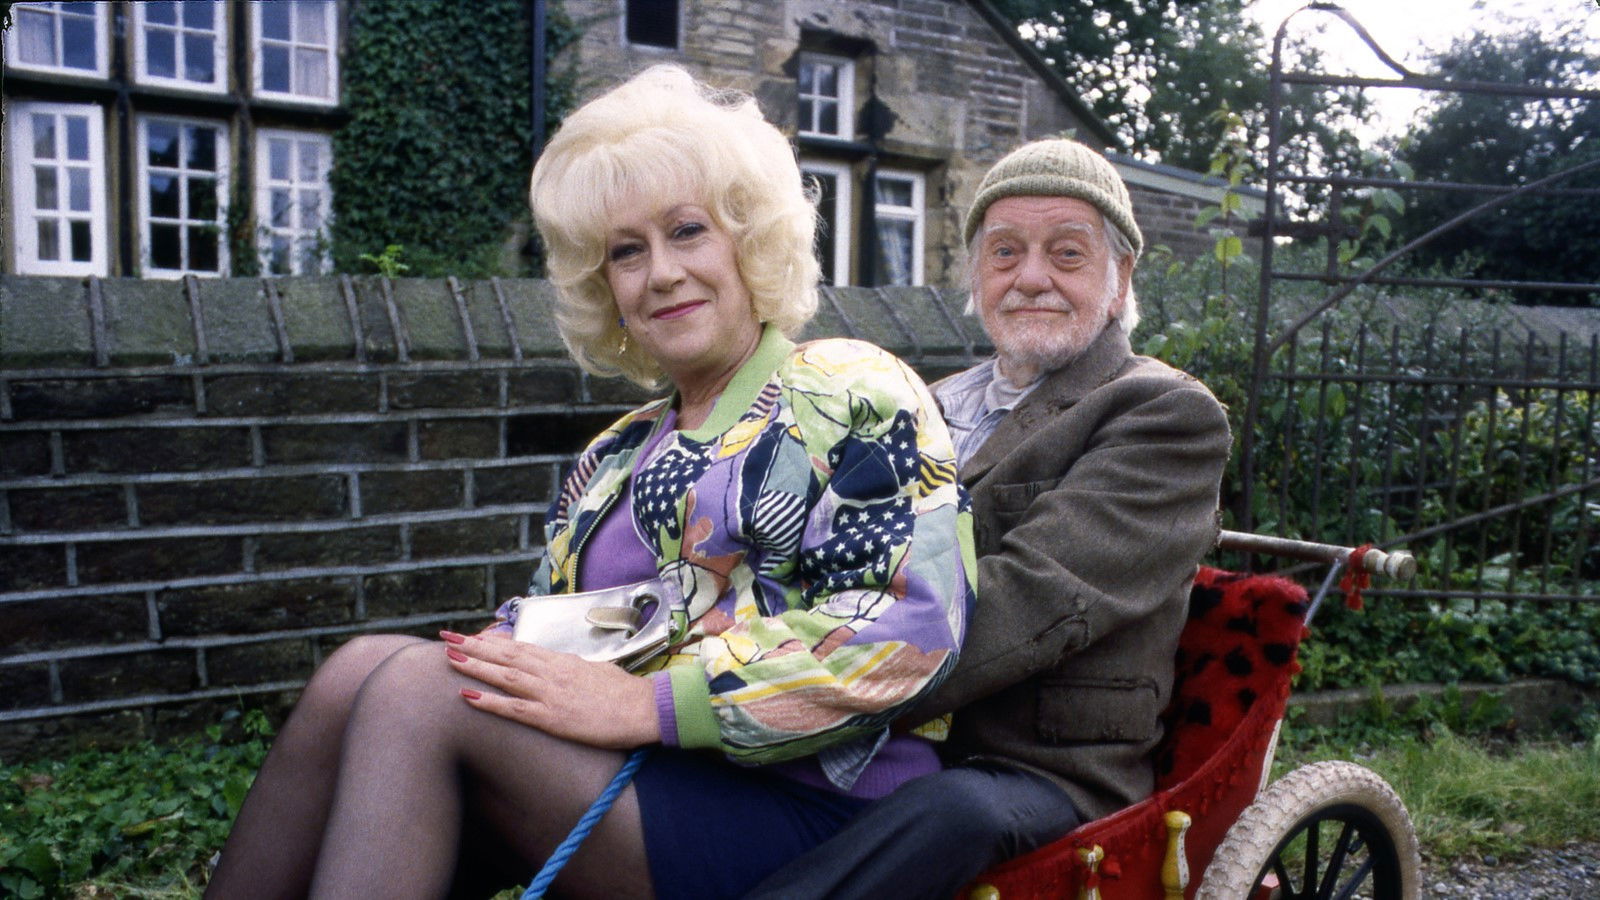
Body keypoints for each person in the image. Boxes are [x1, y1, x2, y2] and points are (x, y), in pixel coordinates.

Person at [204, 65, 973, 900]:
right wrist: (505, 653)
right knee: (359, 670)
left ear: (750, 242)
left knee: (421, 694)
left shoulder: (849, 386)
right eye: (626, 251)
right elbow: (566, 629)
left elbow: (909, 630)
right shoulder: (616, 452)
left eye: (687, 232)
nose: (661, 273)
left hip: (814, 806)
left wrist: (651, 707)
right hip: (647, 778)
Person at [747, 138, 1232, 898]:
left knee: (953, 813)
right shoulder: (921, 401)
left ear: (1120, 278)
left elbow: (1031, 596)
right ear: (976, 274)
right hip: (875, 723)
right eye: (1005, 252)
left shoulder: (1163, 413)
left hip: (1040, 766)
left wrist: (808, 687)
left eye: (1066, 253)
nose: (1030, 277)